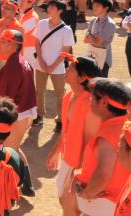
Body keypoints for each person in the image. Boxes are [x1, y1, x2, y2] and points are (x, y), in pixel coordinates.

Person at [46, 54, 100, 216]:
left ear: (82, 77)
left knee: (70, 205)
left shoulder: (90, 104)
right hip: (69, 159)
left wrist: (80, 172)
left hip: (81, 165)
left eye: (71, 68)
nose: (66, 69)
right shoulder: (68, 96)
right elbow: (65, 131)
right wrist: (56, 151)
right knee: (64, 200)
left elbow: (91, 142)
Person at [72, 78, 131, 216]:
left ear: (104, 102)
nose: (90, 100)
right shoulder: (128, 126)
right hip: (116, 202)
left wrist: (87, 194)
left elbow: (103, 175)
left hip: (104, 204)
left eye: (93, 97)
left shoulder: (108, 136)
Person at [0, 29, 37, 196]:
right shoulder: (20, 61)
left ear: (13, 46)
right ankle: (27, 185)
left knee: (8, 151)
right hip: (25, 111)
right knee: (14, 148)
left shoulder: (12, 66)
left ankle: (12, 189)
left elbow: (4, 97)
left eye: (3, 41)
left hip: (18, 114)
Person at [33, 0, 74, 128]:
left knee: (60, 95)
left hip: (58, 68)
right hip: (40, 65)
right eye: (49, 6)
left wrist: (52, 66)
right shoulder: (42, 24)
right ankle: (39, 115)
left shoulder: (67, 30)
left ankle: (61, 119)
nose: (49, 9)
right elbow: (37, 43)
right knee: (39, 91)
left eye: (52, 7)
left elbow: (65, 51)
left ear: (60, 10)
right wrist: (41, 61)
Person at [85, 0, 117, 77]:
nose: (94, 8)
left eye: (97, 6)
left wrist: (90, 37)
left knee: (100, 83)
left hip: (103, 59)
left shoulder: (110, 24)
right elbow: (85, 40)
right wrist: (92, 38)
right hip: (91, 55)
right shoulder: (93, 20)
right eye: (94, 5)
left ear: (106, 8)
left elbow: (97, 42)